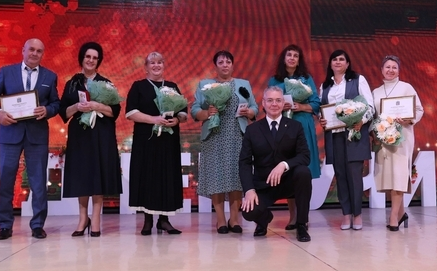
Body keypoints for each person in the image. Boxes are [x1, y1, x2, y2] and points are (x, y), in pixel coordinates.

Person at [0, 38, 60, 240]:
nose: (35, 53)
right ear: (23, 50)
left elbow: (56, 103)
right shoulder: (6, 72)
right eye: (31, 49)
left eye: (39, 51)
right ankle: (5, 225)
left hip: (37, 136)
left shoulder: (50, 76)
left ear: (43, 54)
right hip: (9, 135)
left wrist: (48, 110)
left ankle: (38, 225)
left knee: (39, 182)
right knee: (6, 181)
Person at [59, 42, 122, 237]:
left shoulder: (106, 84)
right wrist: (77, 107)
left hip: (101, 134)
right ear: (82, 58)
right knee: (82, 174)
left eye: (95, 58)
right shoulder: (72, 83)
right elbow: (63, 112)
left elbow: (115, 111)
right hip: (80, 135)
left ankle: (95, 219)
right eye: (88, 56)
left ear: (99, 61)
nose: (91, 60)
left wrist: (97, 105)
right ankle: (82, 218)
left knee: (98, 174)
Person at [192, 50, 258, 234]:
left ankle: (234, 219)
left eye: (228, 61)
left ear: (232, 65)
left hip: (238, 135)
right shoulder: (205, 85)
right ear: (216, 66)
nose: (225, 65)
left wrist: (249, 112)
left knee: (237, 176)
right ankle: (220, 219)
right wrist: (206, 113)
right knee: (216, 176)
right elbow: (194, 109)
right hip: (214, 136)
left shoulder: (243, 84)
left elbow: (254, 107)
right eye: (221, 62)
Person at [125, 52, 188, 235]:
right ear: (146, 67)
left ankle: (164, 221)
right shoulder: (138, 86)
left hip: (168, 141)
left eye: (159, 62)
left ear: (164, 65)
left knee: (167, 177)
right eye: (152, 63)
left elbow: (183, 111)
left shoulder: (172, 86)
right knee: (147, 177)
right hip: (146, 140)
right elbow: (130, 112)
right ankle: (147, 221)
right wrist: (153, 119)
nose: (156, 65)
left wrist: (177, 120)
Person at [240, 86, 312, 242]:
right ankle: (264, 219)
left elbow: (305, 156)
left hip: (289, 182)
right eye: (270, 100)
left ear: (283, 103)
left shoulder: (295, 126)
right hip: (264, 184)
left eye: (278, 100)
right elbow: (244, 163)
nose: (274, 104)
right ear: (263, 103)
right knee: (248, 211)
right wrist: (249, 190)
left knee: (303, 172)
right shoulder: (252, 130)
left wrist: (284, 165)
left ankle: (301, 224)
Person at [319, 50, 373, 230]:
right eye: (334, 59)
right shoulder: (325, 86)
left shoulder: (358, 80)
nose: (338, 62)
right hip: (334, 136)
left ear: (348, 63)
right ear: (330, 63)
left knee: (355, 176)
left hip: (354, 134)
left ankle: (357, 215)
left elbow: (370, 106)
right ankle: (346, 214)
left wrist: (361, 121)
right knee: (340, 175)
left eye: (341, 59)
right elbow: (322, 109)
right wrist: (322, 119)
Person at [268, 44, 320, 230]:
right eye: (289, 55)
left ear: (299, 60)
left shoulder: (306, 79)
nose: (292, 58)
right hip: (283, 126)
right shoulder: (275, 80)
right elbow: (268, 103)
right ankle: (292, 217)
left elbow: (316, 103)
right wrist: (280, 106)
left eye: (295, 56)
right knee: (289, 171)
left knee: (303, 172)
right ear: (284, 58)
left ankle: (303, 217)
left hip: (303, 124)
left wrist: (301, 106)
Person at [372, 55, 424, 232]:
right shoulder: (376, 92)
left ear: (399, 70)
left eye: (394, 67)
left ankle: (393, 217)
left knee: (399, 175)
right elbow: (373, 116)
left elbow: (419, 109)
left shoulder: (406, 87)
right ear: (381, 70)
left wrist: (408, 120)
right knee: (388, 177)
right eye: (387, 67)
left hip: (402, 138)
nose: (390, 70)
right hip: (383, 139)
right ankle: (401, 213)